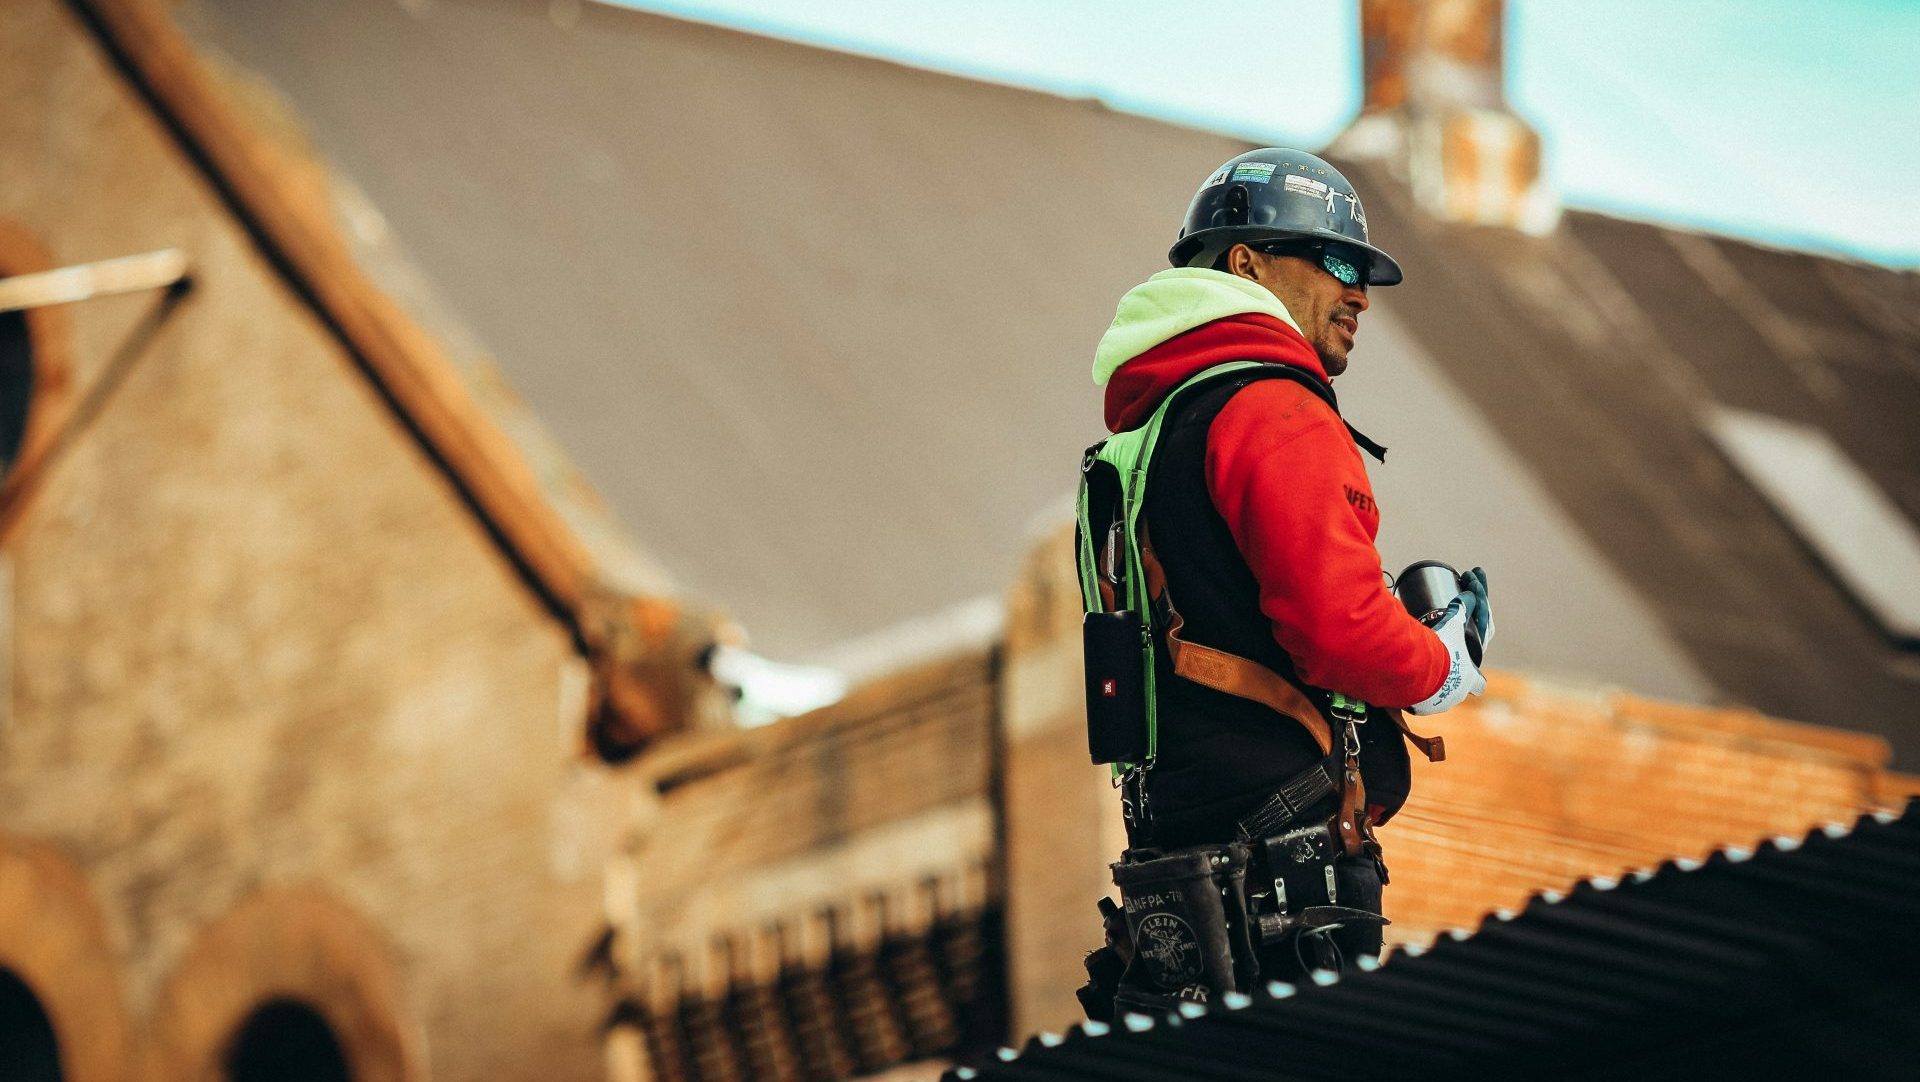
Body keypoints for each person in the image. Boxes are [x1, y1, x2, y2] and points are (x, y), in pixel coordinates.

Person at [1075, 148, 1492, 1016]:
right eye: (1335, 262)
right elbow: (1341, 632)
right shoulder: (1274, 408)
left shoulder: (1153, 431)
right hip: (1280, 872)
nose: (1360, 294)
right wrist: (1441, 660)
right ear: (1245, 264)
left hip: (1181, 864)